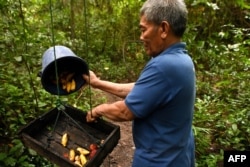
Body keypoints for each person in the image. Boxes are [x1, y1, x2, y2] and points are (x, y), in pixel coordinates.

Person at [83, 0, 196, 166]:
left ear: (164, 29)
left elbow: (125, 112)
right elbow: (140, 89)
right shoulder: (181, 60)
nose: (141, 37)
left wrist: (99, 110)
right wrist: (97, 83)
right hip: (178, 154)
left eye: (144, 29)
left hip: (160, 161)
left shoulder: (163, 66)